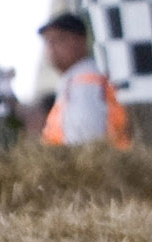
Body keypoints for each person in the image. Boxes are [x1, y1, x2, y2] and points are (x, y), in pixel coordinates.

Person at [39, 13, 130, 149]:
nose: (51, 48)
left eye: (59, 39)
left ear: (80, 41)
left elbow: (86, 140)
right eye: (48, 41)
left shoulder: (84, 82)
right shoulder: (77, 80)